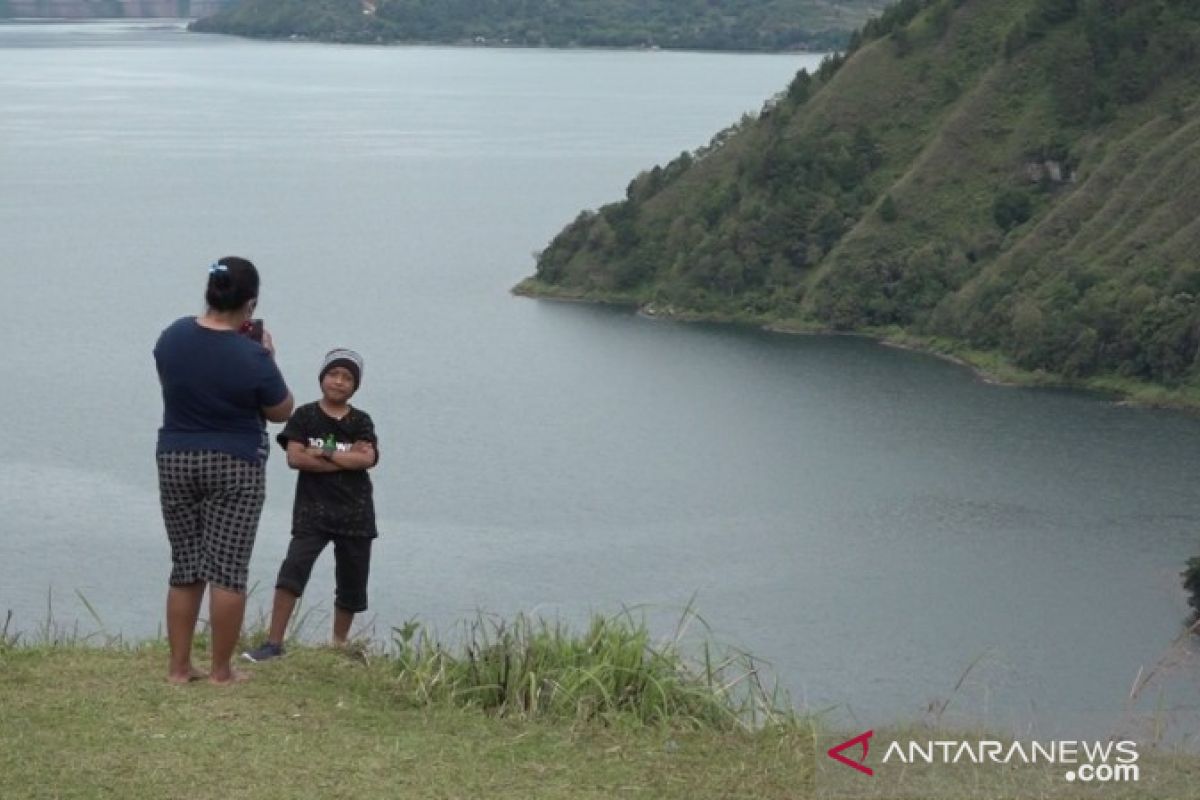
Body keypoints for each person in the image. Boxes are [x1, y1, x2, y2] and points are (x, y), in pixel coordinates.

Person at [154, 257, 294, 685]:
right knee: (228, 571)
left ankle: (179, 669)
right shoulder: (251, 355)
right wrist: (268, 355)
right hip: (235, 462)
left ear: (209, 292)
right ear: (249, 304)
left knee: (186, 566)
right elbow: (281, 410)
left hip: (175, 456)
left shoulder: (171, 337)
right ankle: (220, 671)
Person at [242, 348, 379, 662]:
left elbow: (367, 458)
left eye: (347, 378)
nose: (339, 382)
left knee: (351, 582)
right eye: (334, 374)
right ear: (322, 377)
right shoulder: (304, 416)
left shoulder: (361, 421)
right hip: (312, 511)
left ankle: (338, 647)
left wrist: (324, 454)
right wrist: (346, 460)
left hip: (356, 513)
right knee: (293, 571)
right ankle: (274, 643)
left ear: (355, 386)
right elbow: (295, 457)